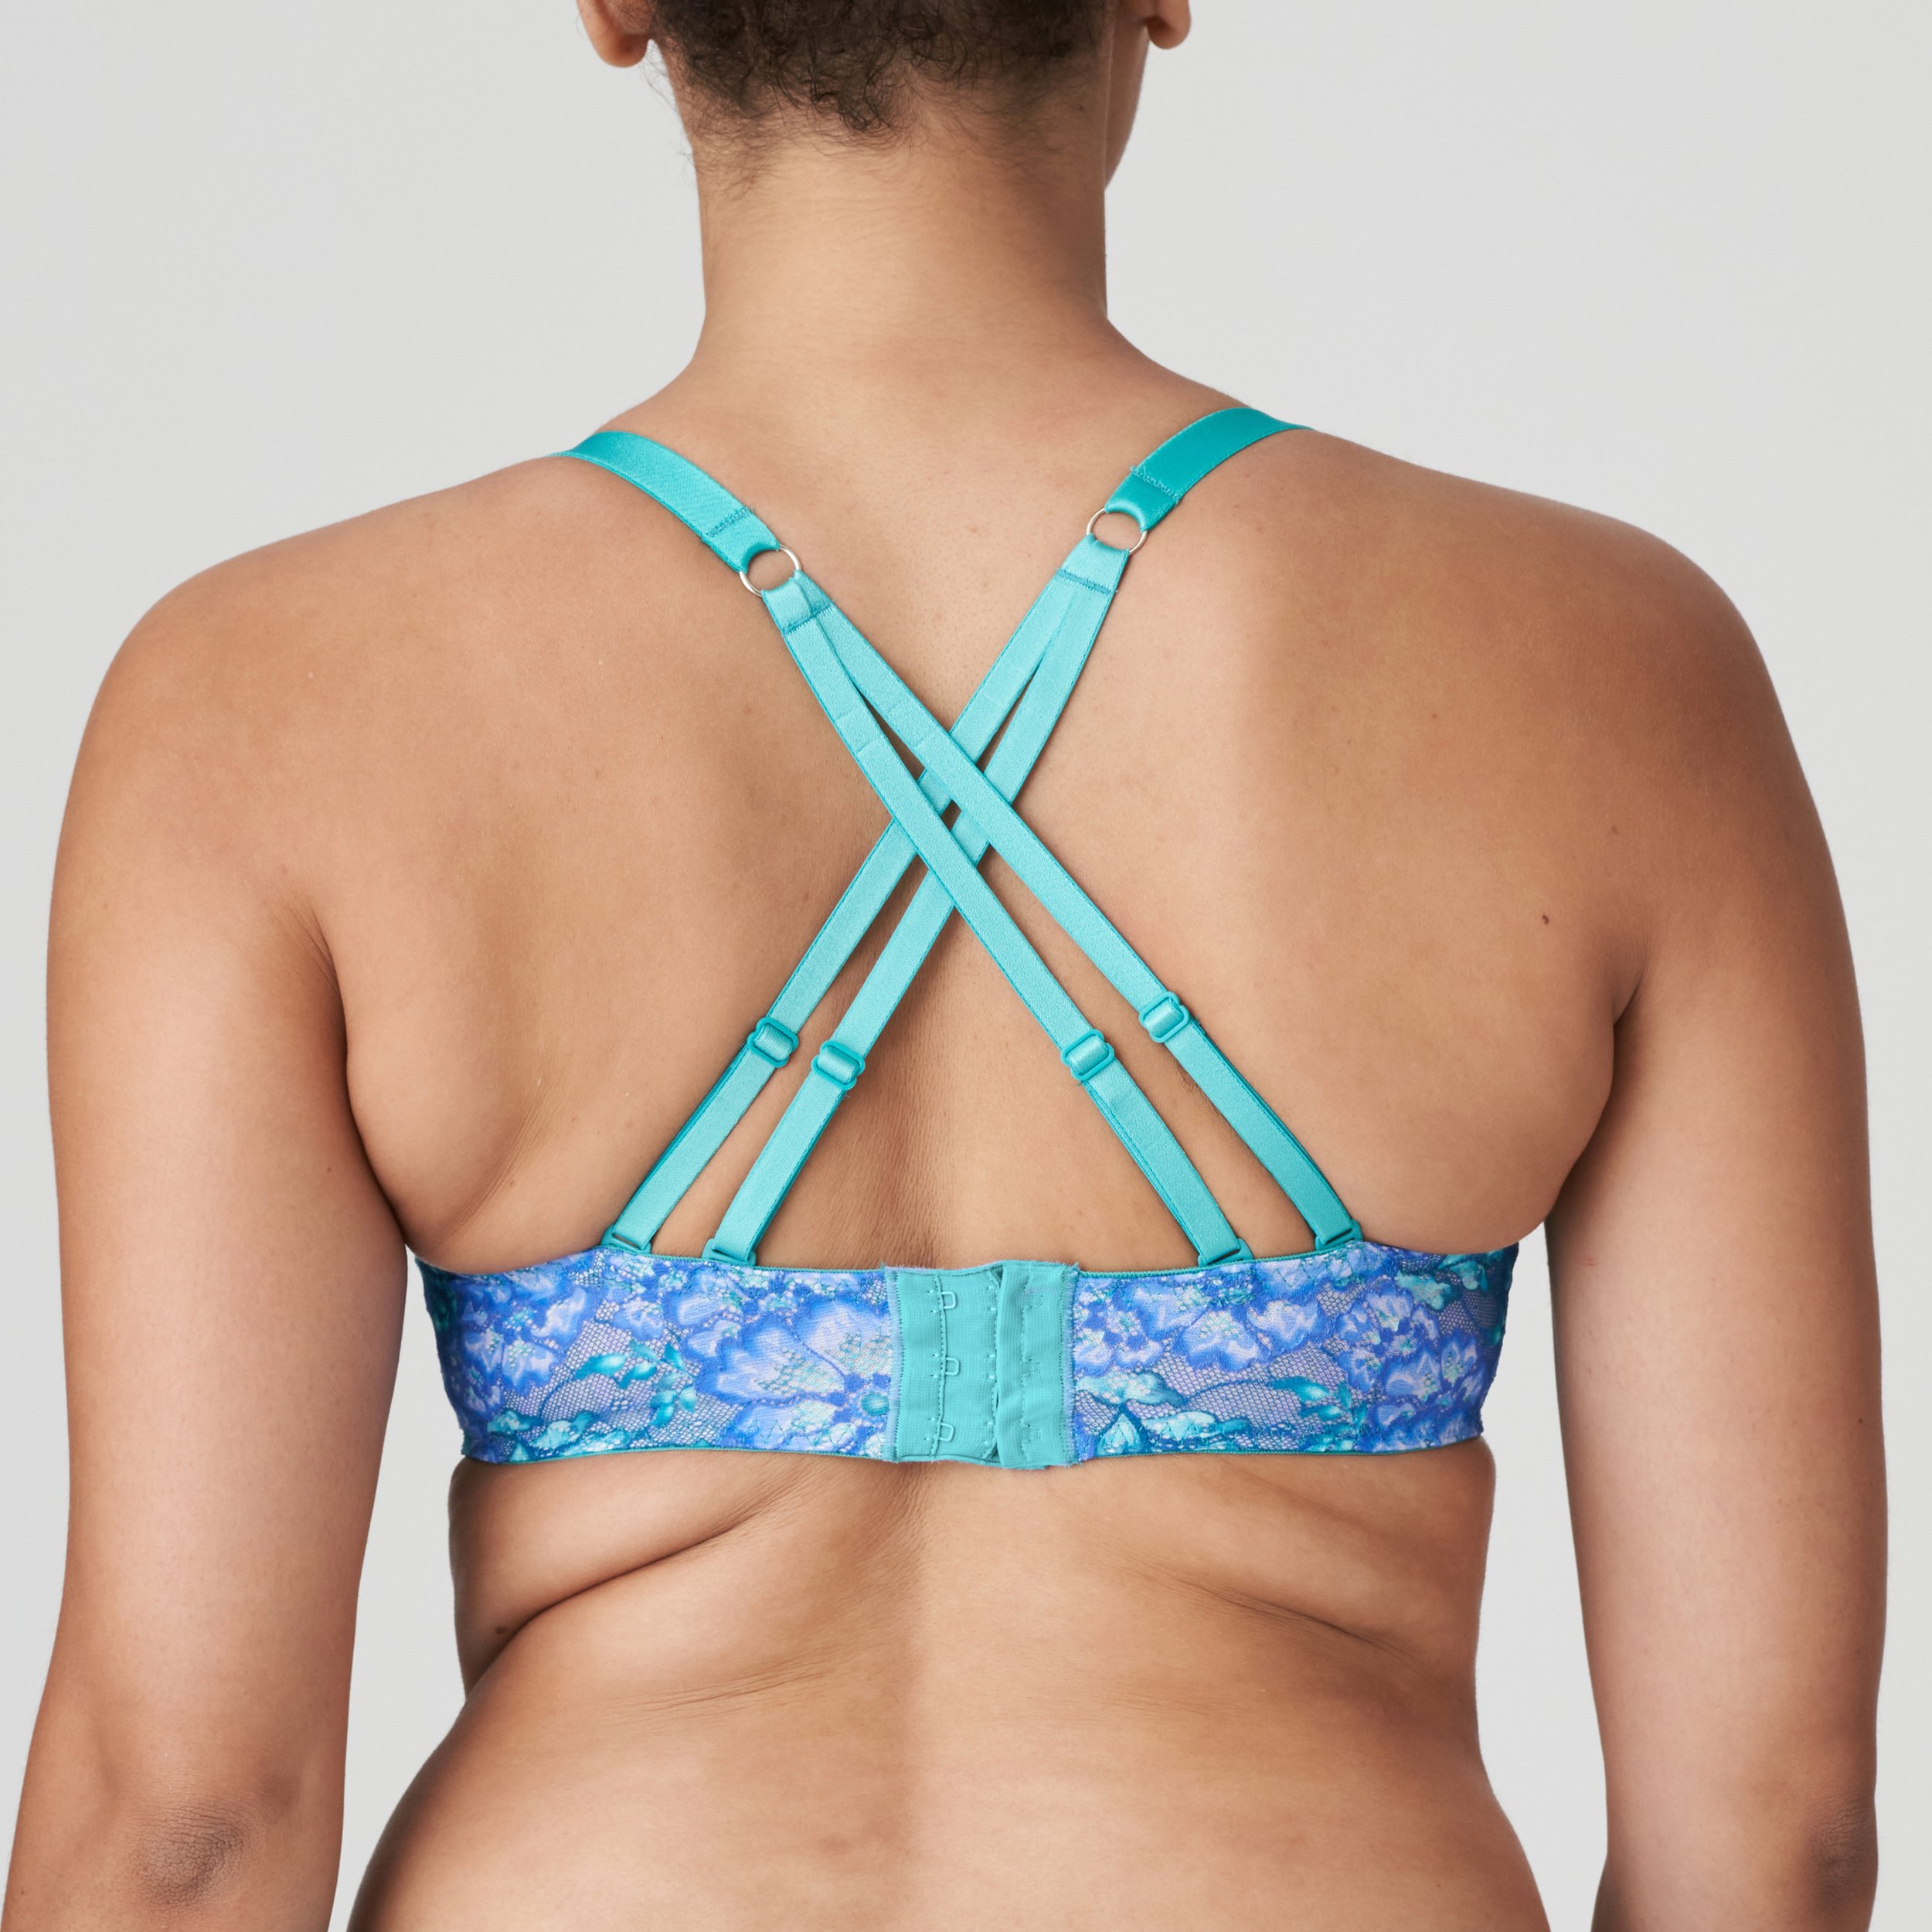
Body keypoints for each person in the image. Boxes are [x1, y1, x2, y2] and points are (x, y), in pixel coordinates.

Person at [5, 2, 1885, 1927]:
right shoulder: (1613, 672)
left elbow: (185, 1823)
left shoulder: (267, 702)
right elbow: (1772, 1832)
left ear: (617, 6)